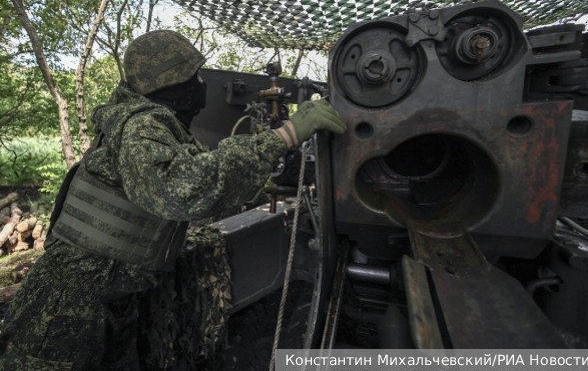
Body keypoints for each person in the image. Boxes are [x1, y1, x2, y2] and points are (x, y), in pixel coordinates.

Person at [0, 30, 346, 370]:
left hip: (109, 296)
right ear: (168, 85)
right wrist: (284, 136)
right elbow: (183, 190)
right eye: (192, 76)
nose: (200, 84)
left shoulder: (156, 125)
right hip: (67, 303)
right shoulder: (141, 127)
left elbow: (207, 186)